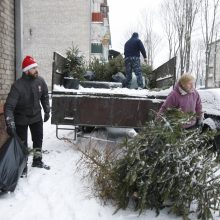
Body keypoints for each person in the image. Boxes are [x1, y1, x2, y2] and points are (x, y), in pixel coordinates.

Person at [4, 56, 50, 176]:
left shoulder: (40, 81)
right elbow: (8, 106)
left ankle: (37, 160)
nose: (36, 69)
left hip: (36, 116)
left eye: (36, 67)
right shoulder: (17, 86)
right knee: (22, 143)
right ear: (27, 70)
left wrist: (47, 110)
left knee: (38, 139)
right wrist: (10, 123)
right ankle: (23, 167)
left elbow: (45, 95)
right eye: (33, 68)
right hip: (21, 119)